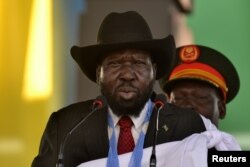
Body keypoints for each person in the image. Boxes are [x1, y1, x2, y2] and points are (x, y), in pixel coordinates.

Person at [32, 12, 239, 167]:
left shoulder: (188, 123)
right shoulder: (66, 125)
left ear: (154, 71)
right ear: (98, 74)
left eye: (139, 63)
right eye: (114, 64)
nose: (128, 74)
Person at [159, 44, 240, 127]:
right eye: (178, 98)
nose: (187, 105)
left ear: (221, 109)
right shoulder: (152, 139)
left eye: (201, 97)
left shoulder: (227, 140)